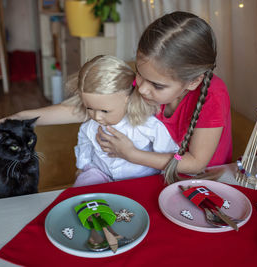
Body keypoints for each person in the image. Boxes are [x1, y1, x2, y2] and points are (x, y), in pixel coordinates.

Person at [0, 11, 232, 185]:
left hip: (204, 181)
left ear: (193, 81)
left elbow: (196, 163)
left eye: (157, 85)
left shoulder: (213, 96)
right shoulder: (147, 82)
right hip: (159, 179)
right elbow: (82, 109)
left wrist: (131, 154)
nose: (142, 89)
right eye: (139, 73)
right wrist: (21, 117)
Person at [67, 55, 178, 186]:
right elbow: (84, 142)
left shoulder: (148, 125)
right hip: (100, 172)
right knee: (82, 189)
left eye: (104, 111)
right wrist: (82, 166)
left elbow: (168, 152)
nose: (96, 117)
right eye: (90, 108)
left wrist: (164, 177)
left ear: (127, 99)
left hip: (139, 178)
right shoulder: (91, 126)